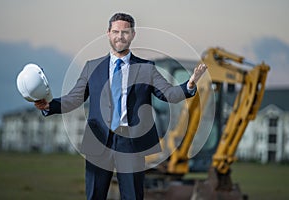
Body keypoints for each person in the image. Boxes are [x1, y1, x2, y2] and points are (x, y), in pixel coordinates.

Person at [35, 12, 207, 200]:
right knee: (94, 196)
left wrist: (189, 85)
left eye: (125, 32)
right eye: (116, 31)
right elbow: (74, 99)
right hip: (98, 140)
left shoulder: (146, 68)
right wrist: (48, 106)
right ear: (108, 33)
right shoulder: (92, 67)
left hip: (131, 142)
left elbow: (168, 93)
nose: (120, 36)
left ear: (133, 35)